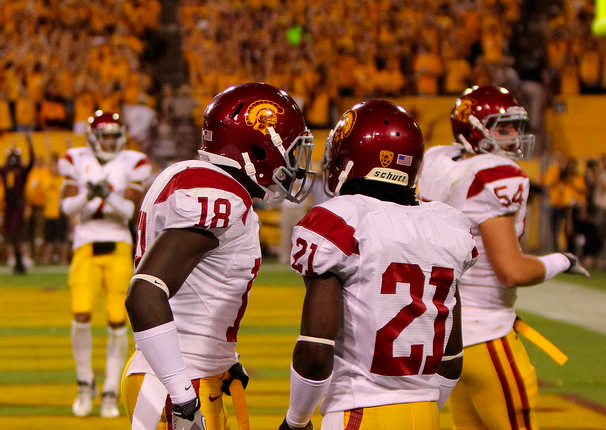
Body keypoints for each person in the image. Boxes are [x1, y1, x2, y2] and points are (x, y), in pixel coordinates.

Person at [122, 82, 316, 430]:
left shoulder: (188, 174)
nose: (294, 163)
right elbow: (145, 292)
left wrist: (223, 357)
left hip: (181, 373)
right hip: (179, 382)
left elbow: (197, 291)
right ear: (257, 149)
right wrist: (182, 398)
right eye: (288, 149)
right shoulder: (220, 194)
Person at [280, 100, 478, 430]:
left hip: (360, 412)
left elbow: (316, 353)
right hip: (427, 414)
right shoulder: (448, 224)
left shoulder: (343, 220)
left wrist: (296, 421)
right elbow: (451, 358)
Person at [416, 85, 589, 430]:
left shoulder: (441, 163)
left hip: (445, 336)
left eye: (514, 127)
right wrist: (563, 261)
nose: (513, 136)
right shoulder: (493, 175)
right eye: (502, 128)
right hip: (487, 334)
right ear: (474, 129)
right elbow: (512, 271)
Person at [58, 110, 152, 418]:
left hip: (118, 243)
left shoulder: (132, 162)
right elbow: (66, 206)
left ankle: (111, 389)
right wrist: (90, 194)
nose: (110, 142)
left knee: (116, 319)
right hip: (85, 243)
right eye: (105, 136)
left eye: (115, 136)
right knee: (81, 313)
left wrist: (105, 194)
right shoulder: (76, 159)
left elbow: (127, 211)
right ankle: (85, 384)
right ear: (93, 138)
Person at [1, 135, 34, 274]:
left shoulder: (22, 171)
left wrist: (29, 144)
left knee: (17, 233)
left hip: (19, 206)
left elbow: (31, 161)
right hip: (8, 206)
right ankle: (17, 261)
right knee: (10, 233)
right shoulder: (5, 171)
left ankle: (20, 260)